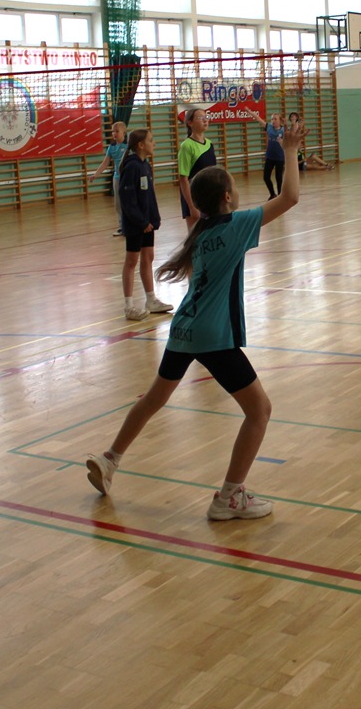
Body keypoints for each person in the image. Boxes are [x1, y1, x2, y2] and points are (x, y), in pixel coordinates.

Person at [85, 120, 310, 521]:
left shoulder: (201, 231)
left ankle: (110, 459)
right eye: (235, 188)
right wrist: (290, 150)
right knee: (259, 411)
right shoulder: (236, 225)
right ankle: (229, 496)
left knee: (153, 398)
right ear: (227, 197)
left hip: (185, 327)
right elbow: (290, 197)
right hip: (212, 335)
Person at [118, 129, 174, 321]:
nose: (154, 143)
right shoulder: (132, 166)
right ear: (141, 145)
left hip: (147, 223)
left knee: (148, 257)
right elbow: (127, 200)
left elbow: (149, 196)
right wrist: (141, 221)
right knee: (131, 261)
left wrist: (153, 218)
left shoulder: (145, 165)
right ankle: (129, 306)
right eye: (151, 140)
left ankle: (151, 299)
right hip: (136, 224)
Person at [177, 109, 215, 232]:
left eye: (206, 117)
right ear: (190, 123)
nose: (205, 120)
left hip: (209, 197)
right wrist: (192, 206)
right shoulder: (186, 146)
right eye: (200, 118)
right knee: (195, 237)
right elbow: (183, 179)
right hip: (194, 198)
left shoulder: (209, 144)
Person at [89, 121, 128, 236]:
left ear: (124, 132)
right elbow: (105, 162)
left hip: (127, 178)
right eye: (112, 131)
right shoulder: (111, 147)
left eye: (117, 131)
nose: (114, 133)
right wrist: (95, 174)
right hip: (117, 178)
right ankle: (122, 227)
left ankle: (130, 226)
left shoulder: (128, 146)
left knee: (128, 202)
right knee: (118, 204)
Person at [249, 110, 285, 198]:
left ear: (280, 121)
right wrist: (249, 111)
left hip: (280, 158)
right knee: (266, 177)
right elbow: (258, 118)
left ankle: (280, 196)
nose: (273, 121)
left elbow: (288, 143)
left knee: (279, 178)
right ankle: (272, 194)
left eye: (275, 119)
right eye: (272, 119)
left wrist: (282, 142)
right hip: (270, 157)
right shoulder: (269, 127)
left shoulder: (283, 130)